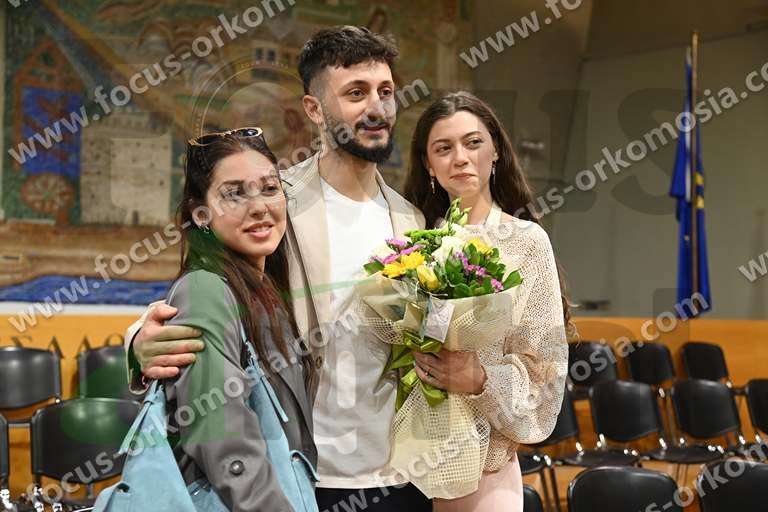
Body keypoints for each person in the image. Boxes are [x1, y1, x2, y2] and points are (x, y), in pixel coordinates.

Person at [122, 26, 431, 511]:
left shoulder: (410, 218)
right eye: (356, 93)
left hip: (400, 467)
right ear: (314, 109)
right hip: (304, 470)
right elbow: (206, 290)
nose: (376, 108)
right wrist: (138, 341)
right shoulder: (276, 199)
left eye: (385, 92)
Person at [403, 91, 570, 511]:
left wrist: (480, 380)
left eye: (473, 142)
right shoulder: (412, 242)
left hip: (487, 470)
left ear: (495, 151)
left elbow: (545, 369)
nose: (460, 158)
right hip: (410, 465)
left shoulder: (527, 242)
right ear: (428, 164)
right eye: (444, 148)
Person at [163, 127, 316, 511]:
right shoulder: (204, 291)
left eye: (269, 188)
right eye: (234, 194)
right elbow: (222, 439)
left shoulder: (266, 291)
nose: (259, 206)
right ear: (200, 214)